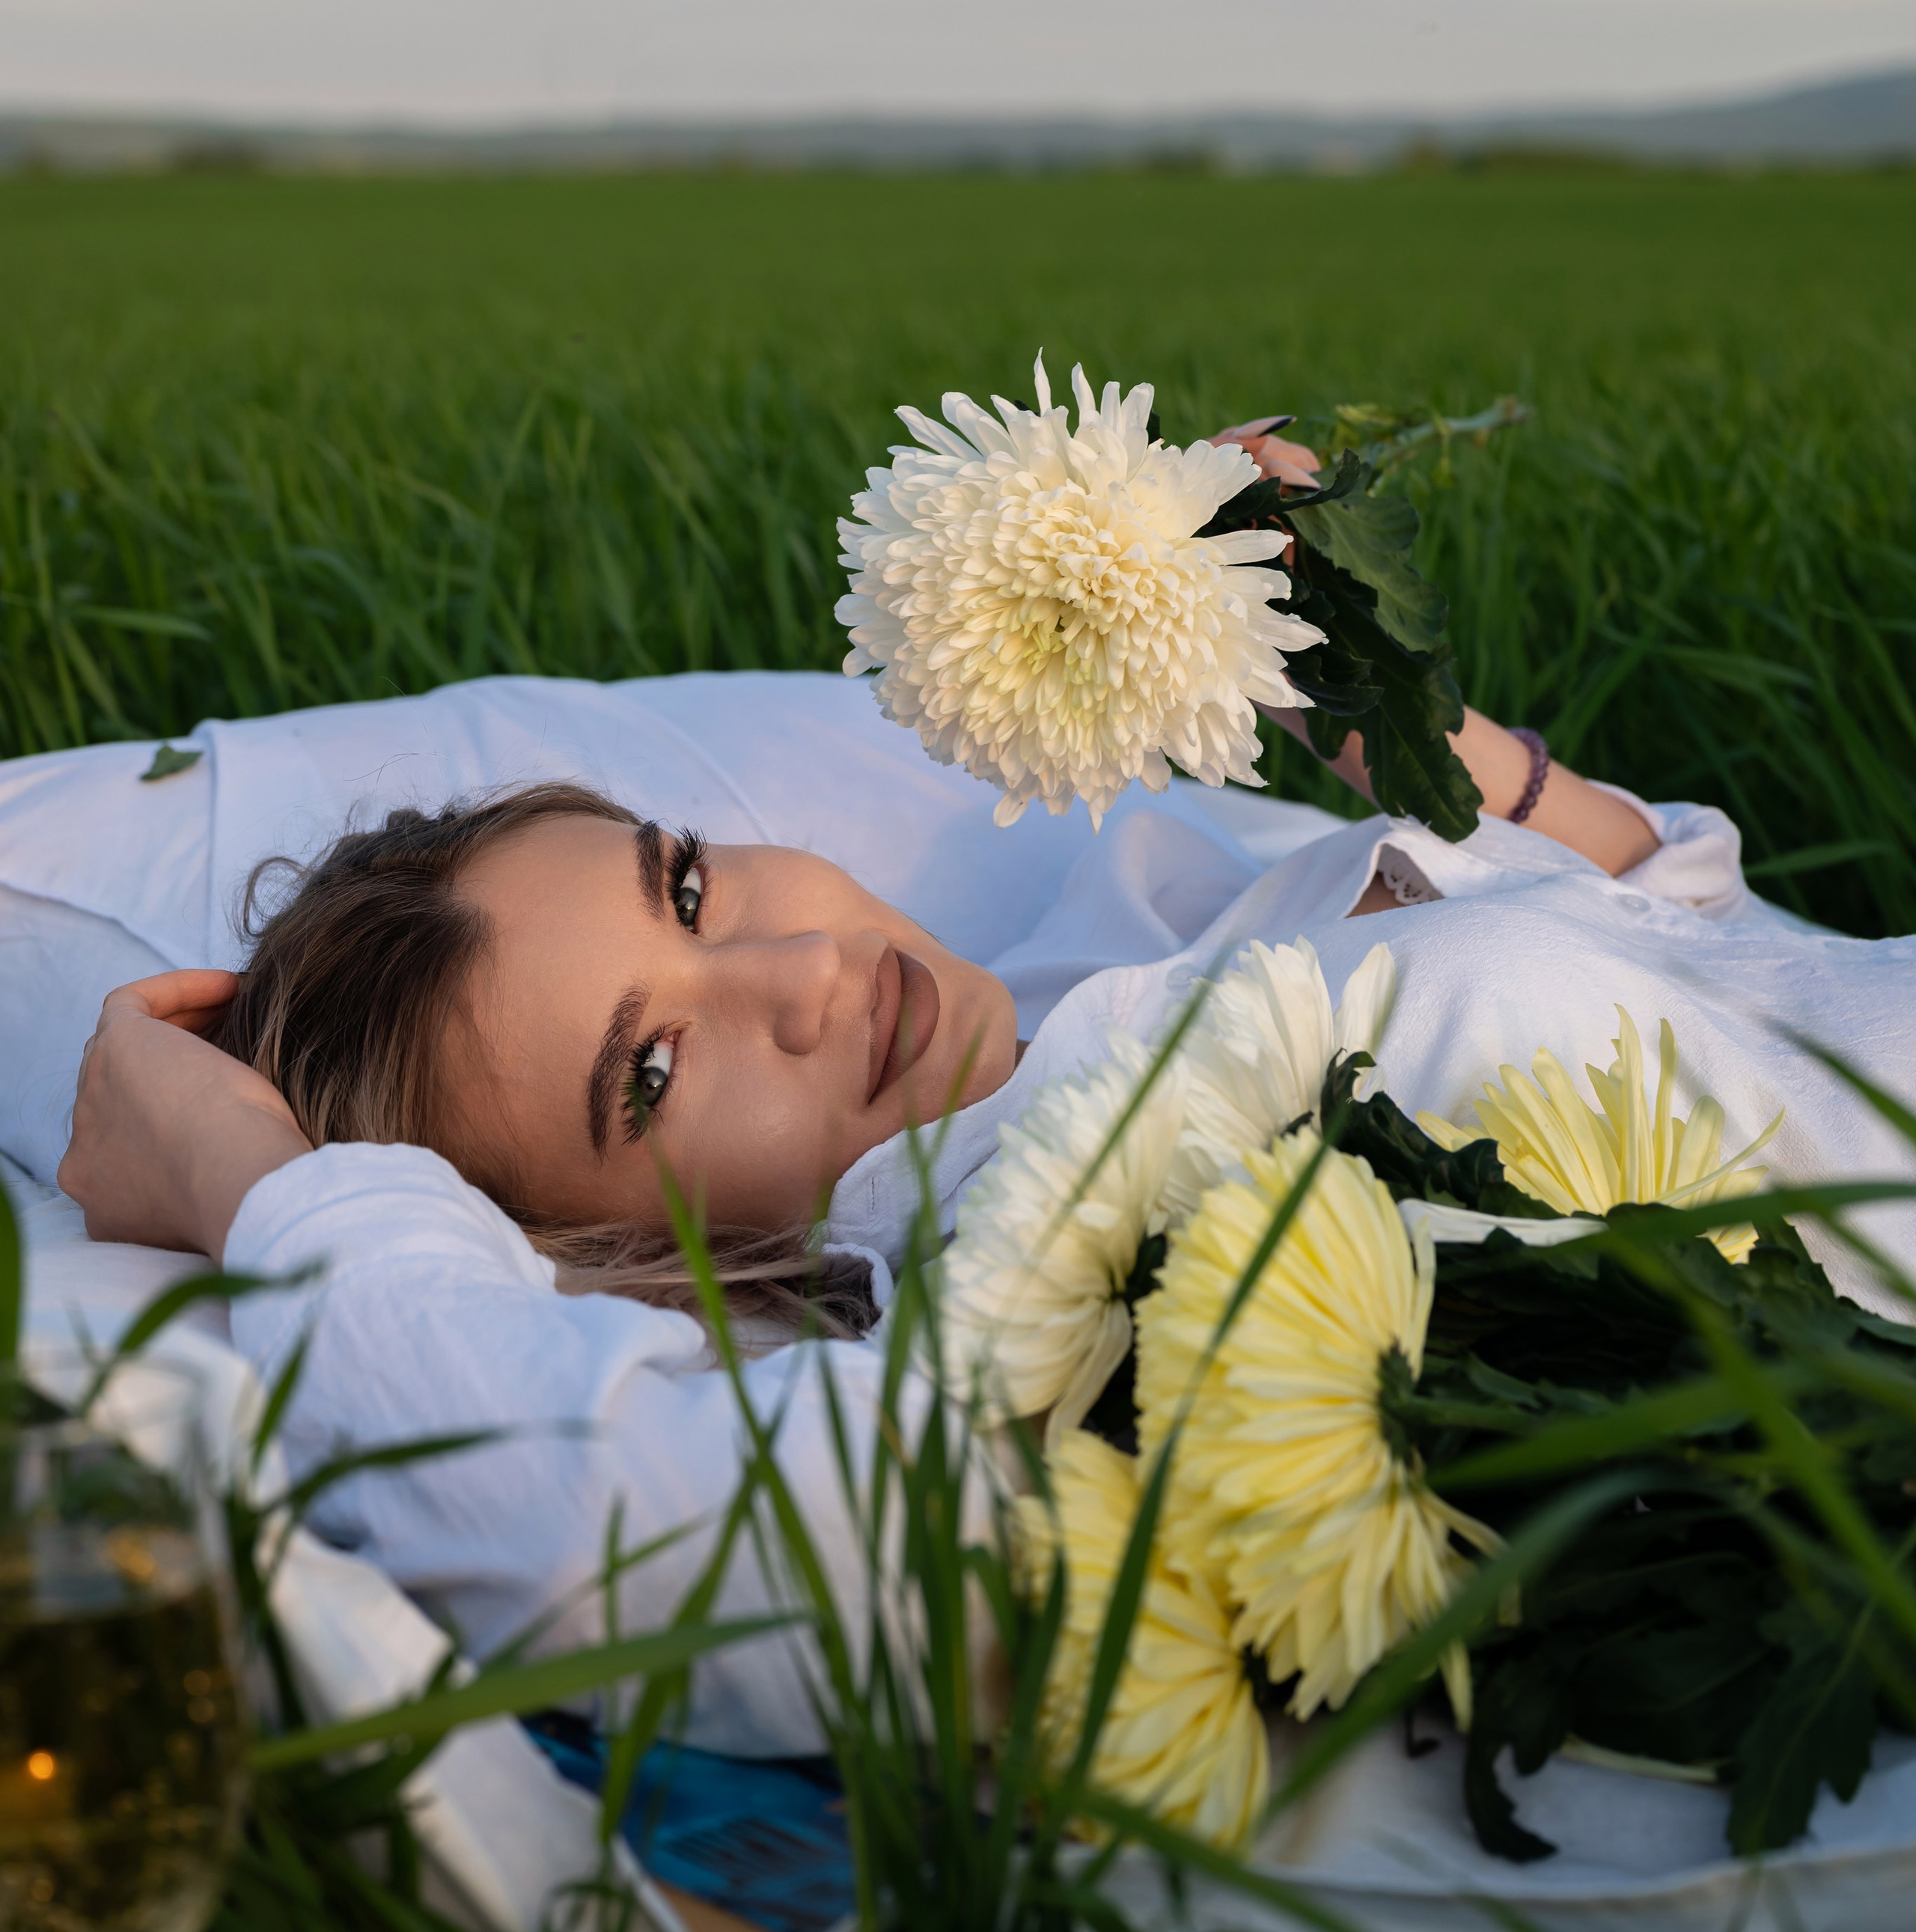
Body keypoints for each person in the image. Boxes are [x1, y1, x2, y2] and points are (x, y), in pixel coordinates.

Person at [56, 424, 1916, 1755]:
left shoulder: (1130, 924)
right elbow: (633, 1530)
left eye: (691, 885)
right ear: (622, 1251)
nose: (786, 978)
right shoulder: (1032, 1263)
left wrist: (1413, 739)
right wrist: (262, 1186)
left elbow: (1711, 935)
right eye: (646, 1066)